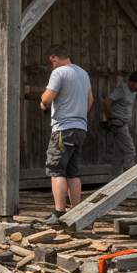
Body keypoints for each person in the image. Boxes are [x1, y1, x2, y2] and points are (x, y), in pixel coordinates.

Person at [39, 45, 93, 226]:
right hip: (80, 127)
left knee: (57, 170)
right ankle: (77, 212)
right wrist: (78, 113)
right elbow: (90, 101)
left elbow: (47, 98)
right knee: (73, 172)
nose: (51, 64)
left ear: (55, 58)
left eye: (51, 61)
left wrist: (43, 103)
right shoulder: (83, 73)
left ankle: (58, 213)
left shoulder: (59, 72)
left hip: (63, 128)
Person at [102, 71, 137, 171]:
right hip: (118, 124)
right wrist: (110, 119)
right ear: (133, 82)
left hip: (123, 124)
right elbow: (107, 101)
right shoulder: (122, 89)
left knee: (119, 154)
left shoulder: (135, 91)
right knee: (130, 151)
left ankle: (115, 180)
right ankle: (131, 179)